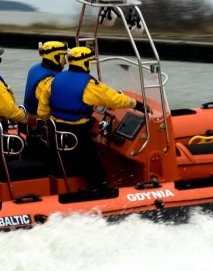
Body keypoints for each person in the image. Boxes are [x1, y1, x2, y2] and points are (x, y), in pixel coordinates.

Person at [36, 46, 145, 191]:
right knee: (95, 169)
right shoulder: (89, 85)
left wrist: (47, 120)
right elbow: (113, 99)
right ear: (86, 63)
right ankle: (99, 191)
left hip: (58, 133)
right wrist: (135, 104)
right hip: (78, 135)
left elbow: (42, 110)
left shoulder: (54, 79)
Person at [23, 40, 68, 123]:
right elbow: (52, 104)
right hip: (40, 123)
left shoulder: (35, 68)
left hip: (29, 116)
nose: (65, 62)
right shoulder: (47, 80)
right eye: (63, 57)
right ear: (55, 57)